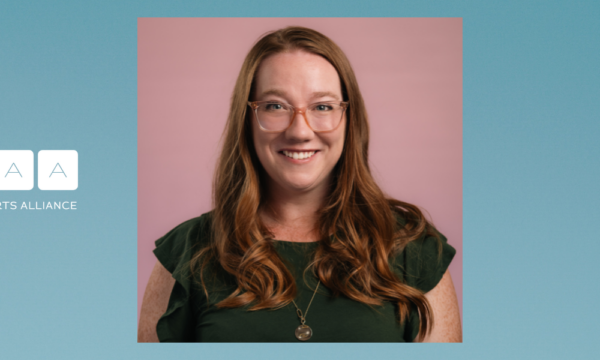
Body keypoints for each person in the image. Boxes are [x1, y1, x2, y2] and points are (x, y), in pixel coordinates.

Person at [138, 26, 461, 342]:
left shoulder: (412, 246)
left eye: (322, 106)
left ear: (350, 120)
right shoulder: (187, 251)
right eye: (275, 106)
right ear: (247, 119)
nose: (300, 131)